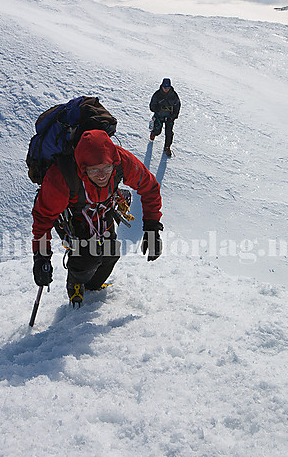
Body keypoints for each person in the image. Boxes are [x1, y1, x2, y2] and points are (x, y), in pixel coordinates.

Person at [32, 129, 163, 305]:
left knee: (111, 253)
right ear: (83, 168)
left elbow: (150, 187)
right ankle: (75, 283)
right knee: (86, 256)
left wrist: (152, 227)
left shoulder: (121, 161)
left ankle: (92, 288)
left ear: (113, 163)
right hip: (73, 217)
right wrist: (41, 256)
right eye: (94, 170)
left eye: (106, 168)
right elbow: (43, 218)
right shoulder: (61, 177)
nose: (102, 175)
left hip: (104, 209)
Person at [149, 78, 180, 157]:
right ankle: (153, 133)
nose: (166, 89)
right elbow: (152, 106)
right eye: (165, 87)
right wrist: (156, 109)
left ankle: (167, 147)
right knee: (157, 130)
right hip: (159, 116)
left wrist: (174, 116)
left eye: (168, 88)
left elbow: (177, 106)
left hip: (169, 117)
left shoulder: (174, 95)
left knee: (169, 133)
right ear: (162, 86)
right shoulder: (157, 95)